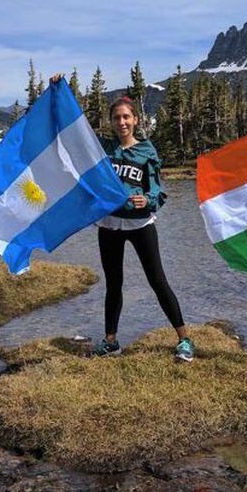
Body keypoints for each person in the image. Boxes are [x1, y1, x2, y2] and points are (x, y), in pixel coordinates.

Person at [50, 74, 194, 362]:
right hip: (109, 226)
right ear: (112, 122)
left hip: (141, 225)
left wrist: (148, 200)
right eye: (117, 118)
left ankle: (185, 339)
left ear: (136, 120)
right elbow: (73, 134)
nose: (122, 123)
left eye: (126, 117)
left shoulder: (146, 151)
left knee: (157, 281)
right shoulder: (103, 149)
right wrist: (60, 92)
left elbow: (157, 190)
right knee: (113, 284)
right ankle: (111, 342)